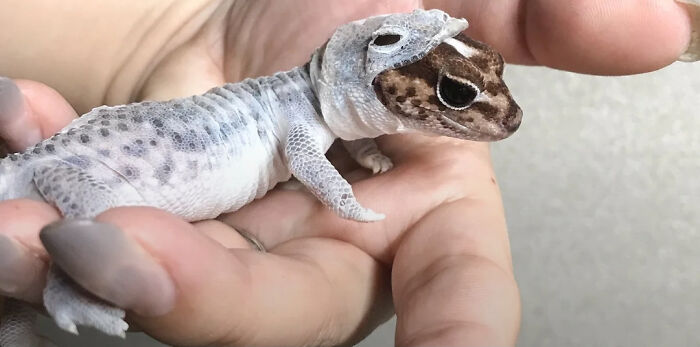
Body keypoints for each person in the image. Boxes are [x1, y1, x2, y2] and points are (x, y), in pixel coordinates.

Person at [0, 1, 695, 346]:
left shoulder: (324, 110)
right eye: (455, 97)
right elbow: (307, 161)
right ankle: (64, 286)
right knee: (77, 228)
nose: (497, 118)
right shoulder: (303, 122)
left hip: (93, 146)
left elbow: (338, 135)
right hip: (73, 168)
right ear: (372, 80)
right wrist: (348, 201)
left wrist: (364, 156)